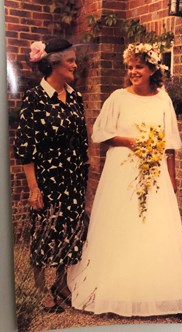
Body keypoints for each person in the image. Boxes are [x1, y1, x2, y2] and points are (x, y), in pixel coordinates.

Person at [67, 42, 182, 317]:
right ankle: (115, 288)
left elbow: (169, 145)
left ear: (153, 69)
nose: (133, 72)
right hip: (122, 171)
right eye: (130, 67)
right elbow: (101, 133)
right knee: (122, 225)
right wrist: (129, 141)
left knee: (152, 226)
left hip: (154, 174)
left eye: (139, 67)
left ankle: (153, 290)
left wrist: (172, 179)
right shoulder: (118, 97)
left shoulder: (163, 98)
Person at [14, 38, 89, 313]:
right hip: (47, 179)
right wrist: (34, 188)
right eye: (70, 60)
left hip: (72, 178)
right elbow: (24, 147)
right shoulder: (34, 98)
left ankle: (60, 284)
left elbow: (82, 141)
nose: (74, 64)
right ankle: (40, 289)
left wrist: (83, 176)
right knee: (43, 233)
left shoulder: (75, 97)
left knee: (70, 232)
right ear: (54, 63)